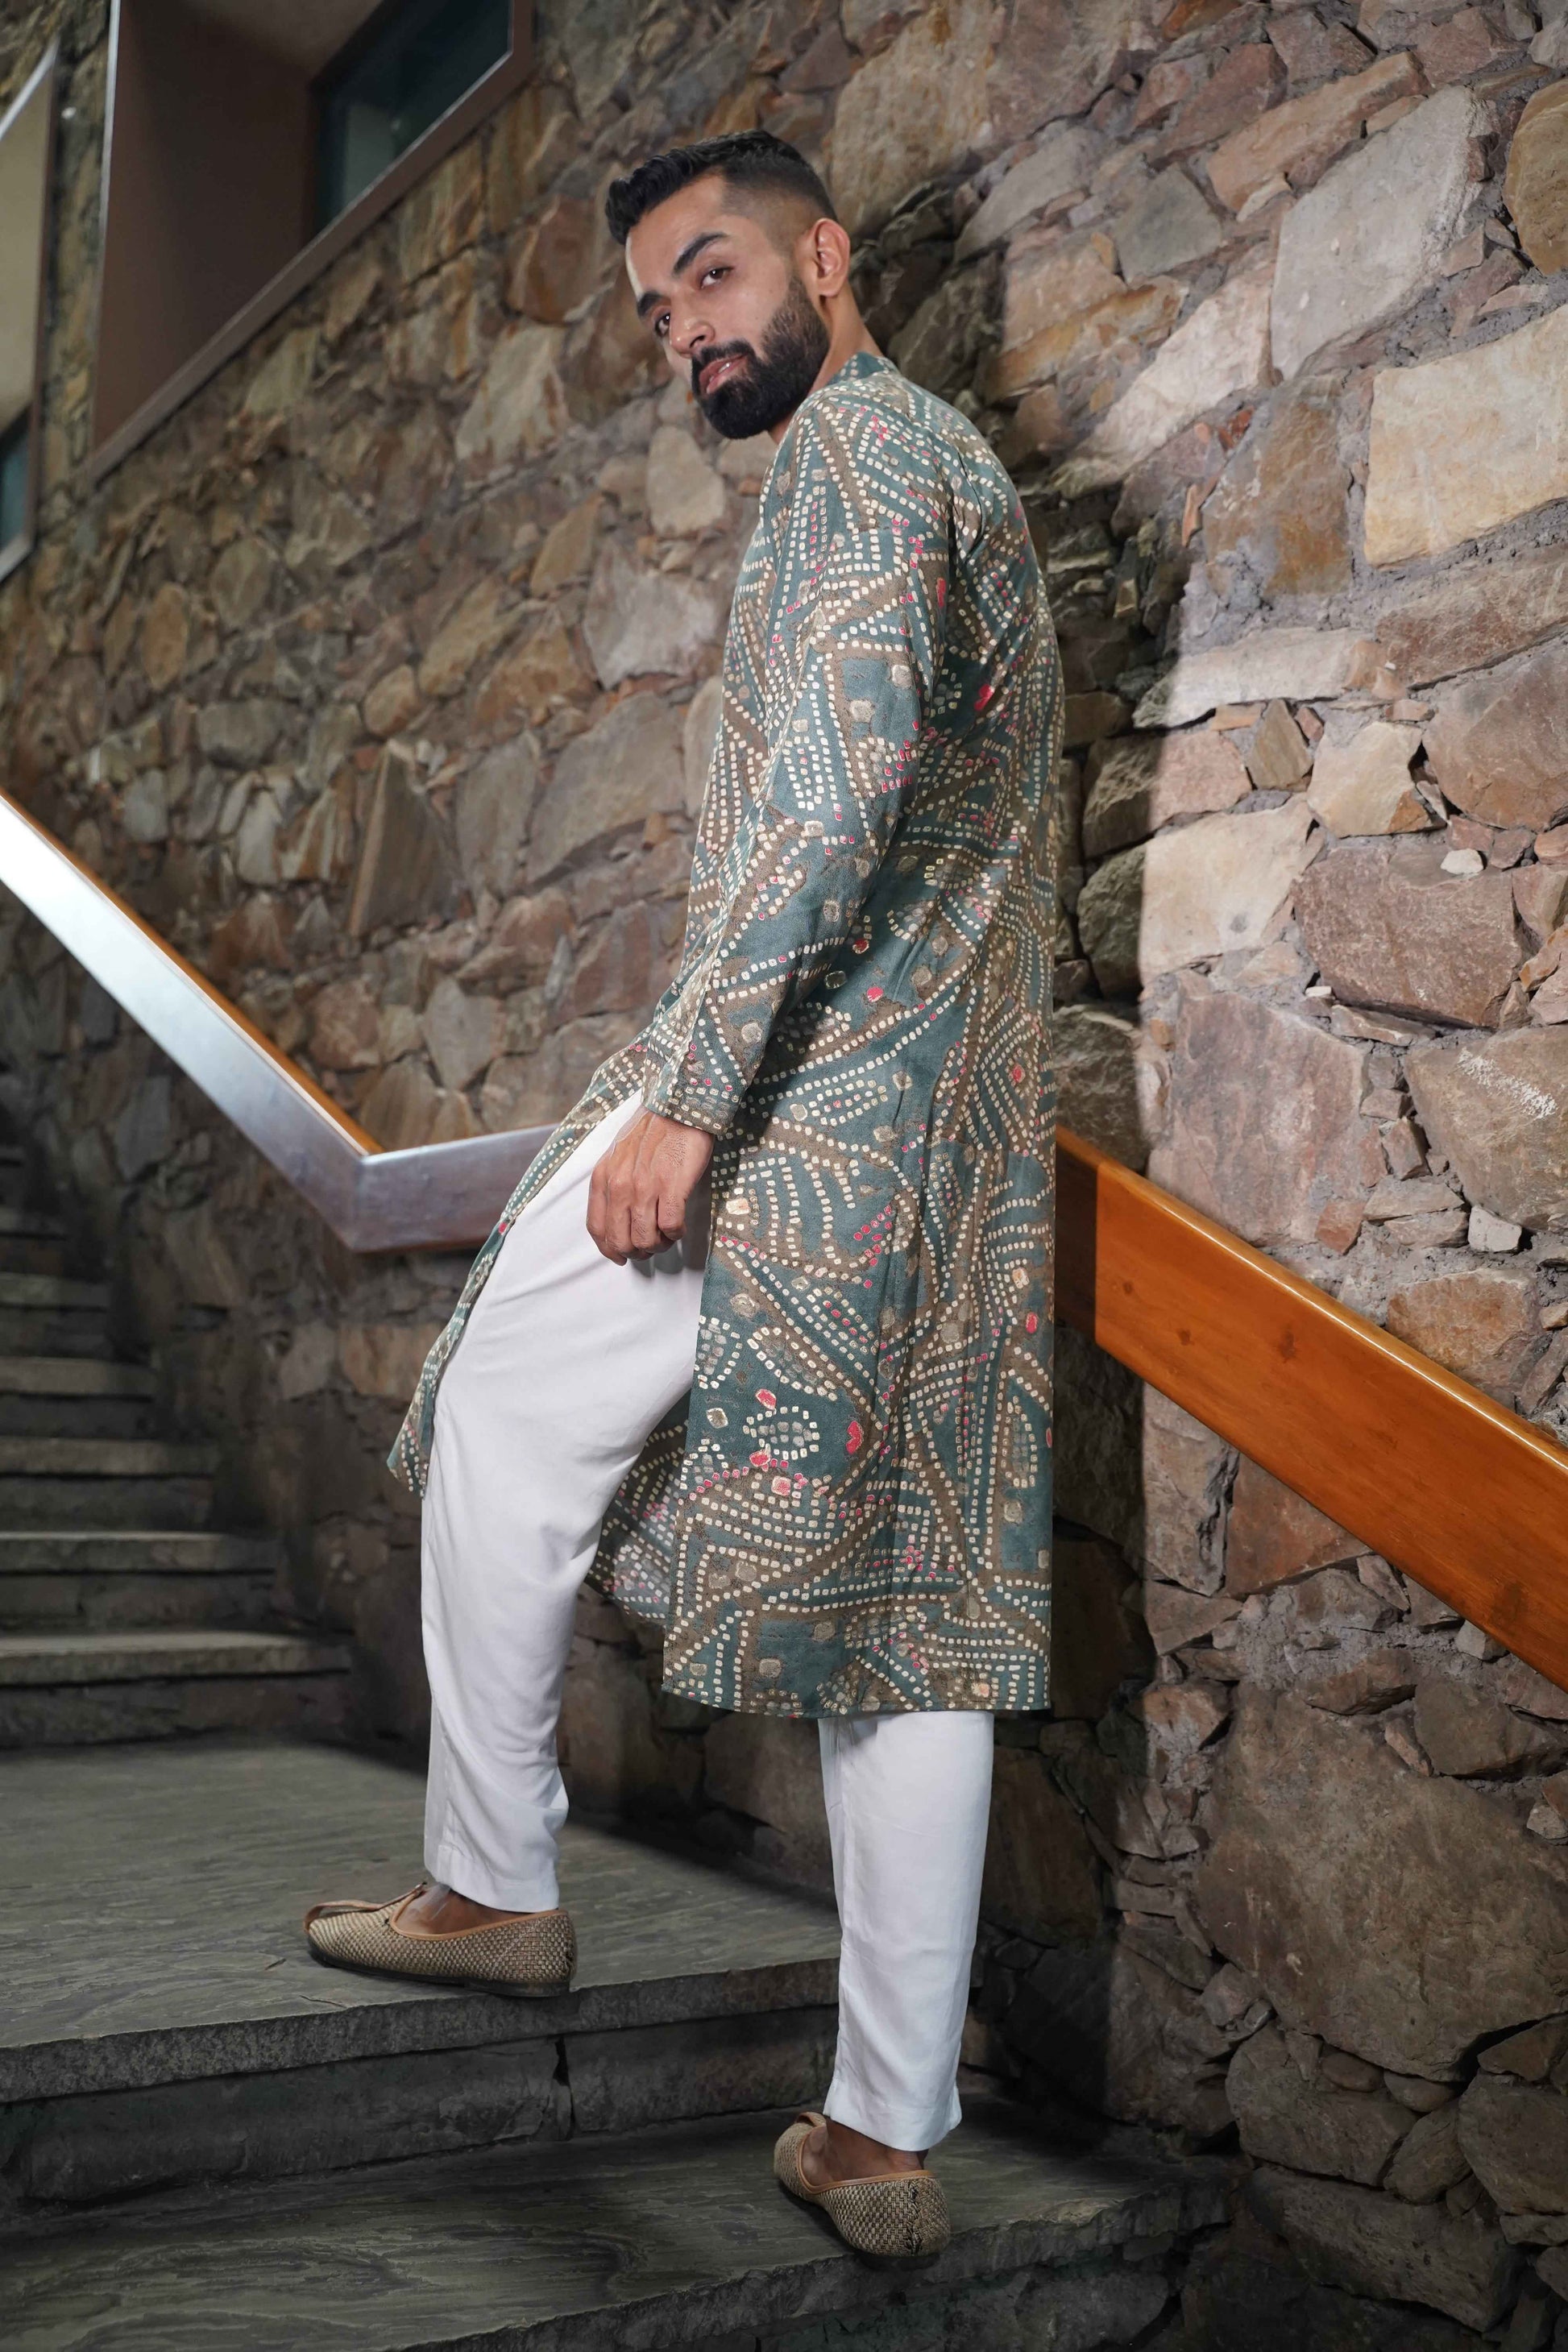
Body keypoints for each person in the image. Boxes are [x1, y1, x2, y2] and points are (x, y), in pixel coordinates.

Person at [305, 128, 1062, 2262]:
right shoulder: (956, 471)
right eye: (656, 311)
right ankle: (878, 2137)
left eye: (710, 274)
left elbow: (828, 796)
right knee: (904, 1605)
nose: (684, 329)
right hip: (948, 1141)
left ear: (824, 258)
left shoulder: (858, 456)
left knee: (501, 1401)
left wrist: (693, 1094)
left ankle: (491, 1889)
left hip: (797, 1108)